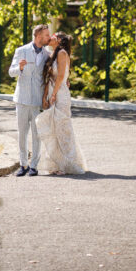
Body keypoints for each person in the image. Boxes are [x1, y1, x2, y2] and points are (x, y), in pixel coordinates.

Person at [35, 31, 87, 175]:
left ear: (57, 39)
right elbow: (49, 78)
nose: (49, 37)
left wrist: (53, 94)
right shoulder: (53, 54)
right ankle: (57, 163)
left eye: (52, 36)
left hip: (60, 94)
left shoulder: (62, 53)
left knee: (63, 128)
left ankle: (68, 162)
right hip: (53, 92)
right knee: (53, 129)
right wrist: (46, 95)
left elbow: (61, 77)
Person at [7, 24, 51, 177]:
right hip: (22, 99)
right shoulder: (21, 51)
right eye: (46, 35)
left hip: (37, 101)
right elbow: (11, 73)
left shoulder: (47, 54)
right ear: (38, 36)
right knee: (22, 134)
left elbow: (50, 76)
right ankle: (23, 164)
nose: (49, 37)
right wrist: (19, 68)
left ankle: (34, 166)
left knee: (36, 134)